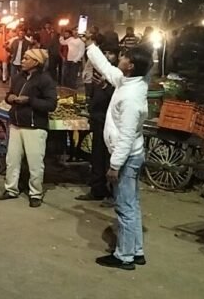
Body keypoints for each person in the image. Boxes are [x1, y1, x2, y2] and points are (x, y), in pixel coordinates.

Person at [86, 40, 151, 270]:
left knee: (125, 208)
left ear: (130, 66)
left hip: (127, 158)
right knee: (132, 205)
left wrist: (114, 165)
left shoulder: (131, 96)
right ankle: (137, 250)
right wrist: (90, 46)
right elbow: (106, 68)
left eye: (124, 57)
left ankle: (124, 256)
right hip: (130, 156)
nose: (119, 59)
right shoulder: (129, 81)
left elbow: (126, 136)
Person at [0, 48, 57, 208]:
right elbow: (9, 94)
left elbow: (51, 104)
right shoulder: (18, 77)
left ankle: (35, 193)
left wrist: (30, 101)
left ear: (36, 62)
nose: (22, 61)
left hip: (34, 128)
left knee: (35, 163)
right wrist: (10, 98)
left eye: (26, 58)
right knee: (12, 160)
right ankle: (11, 189)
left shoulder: (45, 80)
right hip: (16, 125)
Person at [77, 42, 118, 202]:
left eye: (110, 53)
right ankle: (97, 189)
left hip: (111, 125)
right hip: (97, 121)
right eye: (104, 53)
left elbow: (118, 99)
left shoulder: (118, 75)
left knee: (110, 159)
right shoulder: (97, 72)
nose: (107, 56)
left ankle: (112, 194)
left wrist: (106, 87)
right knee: (97, 157)